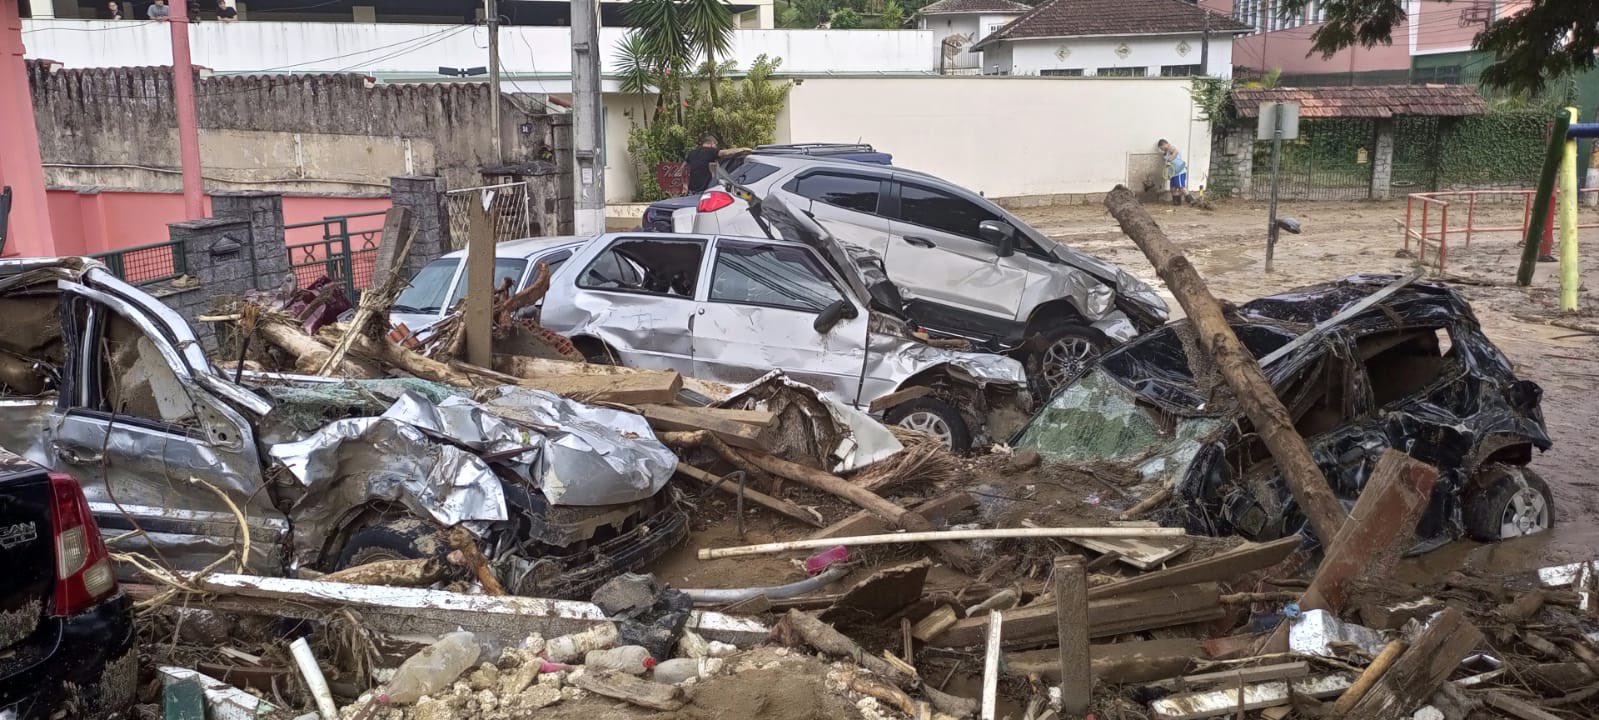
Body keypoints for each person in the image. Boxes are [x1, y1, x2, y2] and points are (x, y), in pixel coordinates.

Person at [683, 134, 750, 195]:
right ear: (711, 143)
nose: (715, 147)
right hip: (702, 191)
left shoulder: (692, 153)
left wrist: (685, 185)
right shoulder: (710, 151)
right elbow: (726, 152)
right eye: (715, 145)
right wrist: (743, 149)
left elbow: (683, 168)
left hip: (691, 191)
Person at [1157, 139, 1187, 207]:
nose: (1161, 149)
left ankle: (1191, 201)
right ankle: (1176, 203)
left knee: (1181, 187)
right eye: (1160, 149)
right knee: (1173, 189)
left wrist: (1169, 159)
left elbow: (1175, 152)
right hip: (1173, 173)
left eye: (1162, 147)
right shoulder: (1166, 152)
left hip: (1179, 171)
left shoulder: (1171, 147)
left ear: (1165, 144)